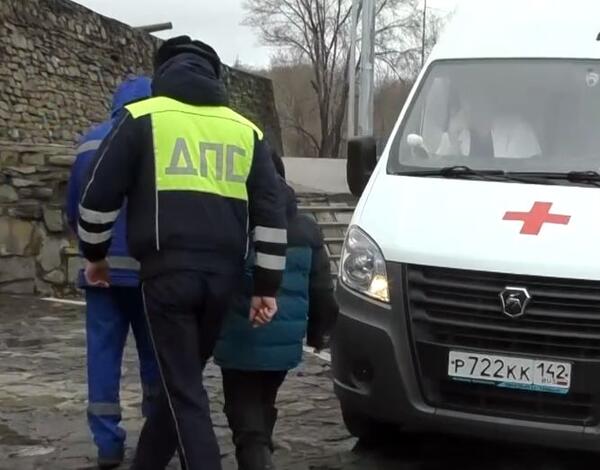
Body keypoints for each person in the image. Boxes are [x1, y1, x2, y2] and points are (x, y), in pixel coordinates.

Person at [76, 36, 287, 470]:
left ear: (161, 73)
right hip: (223, 281)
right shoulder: (246, 130)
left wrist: (94, 256)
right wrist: (267, 286)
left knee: (185, 393)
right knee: (183, 380)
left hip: (167, 275)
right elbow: (271, 215)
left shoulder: (142, 118)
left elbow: (97, 198)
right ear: (215, 75)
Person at [214, 152, 339, 470]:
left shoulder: (234, 222)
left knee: (242, 412)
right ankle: (261, 448)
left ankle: (257, 456)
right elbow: (322, 290)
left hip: (240, 337)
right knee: (263, 400)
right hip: (283, 345)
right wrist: (317, 333)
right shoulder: (308, 230)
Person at [66, 76, 159, 469]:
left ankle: (107, 443)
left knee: (102, 356)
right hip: (149, 273)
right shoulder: (160, 140)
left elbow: (74, 206)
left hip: (101, 270)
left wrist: (90, 252)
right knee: (155, 357)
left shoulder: (91, 141)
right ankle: (157, 436)